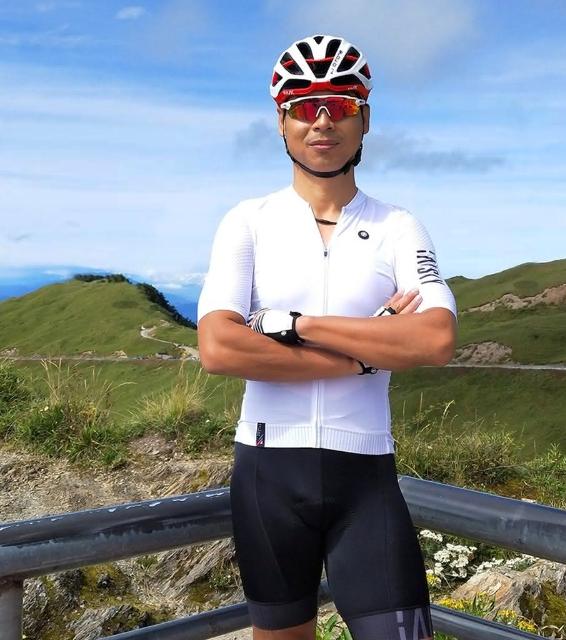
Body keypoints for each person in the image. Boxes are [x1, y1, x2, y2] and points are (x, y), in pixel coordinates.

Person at [197, 34, 457, 640]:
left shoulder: (398, 226)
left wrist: (296, 326)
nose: (321, 121)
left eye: (338, 106)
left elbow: (435, 338)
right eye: (302, 106)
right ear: (281, 122)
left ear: (364, 119)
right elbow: (219, 347)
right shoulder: (248, 222)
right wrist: (364, 353)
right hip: (267, 473)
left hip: (364, 477)